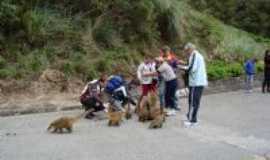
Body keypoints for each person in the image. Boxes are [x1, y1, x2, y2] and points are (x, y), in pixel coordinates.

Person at [183, 43, 208, 127]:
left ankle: (192, 120)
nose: (186, 53)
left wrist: (181, 67)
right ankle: (192, 117)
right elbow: (191, 66)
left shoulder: (194, 56)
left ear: (190, 49)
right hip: (198, 82)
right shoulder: (197, 55)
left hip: (195, 83)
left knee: (193, 102)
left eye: (186, 51)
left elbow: (192, 69)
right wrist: (184, 64)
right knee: (195, 101)